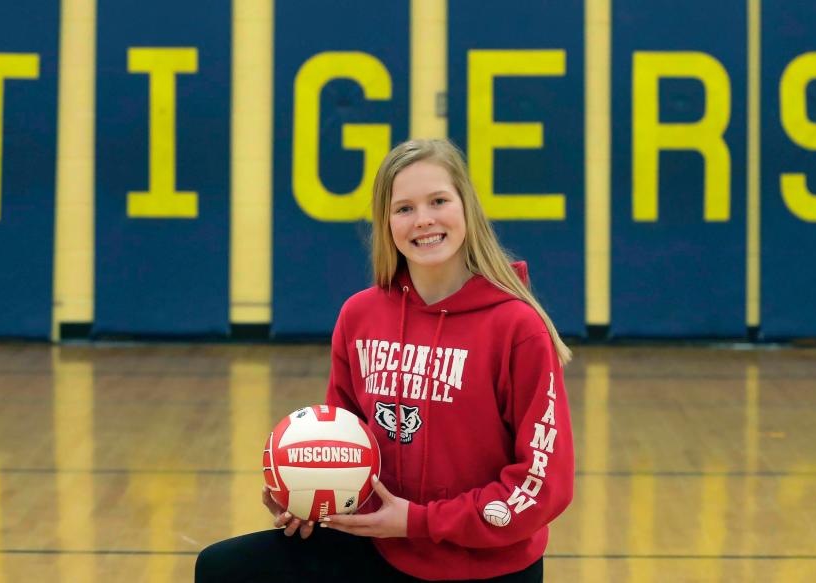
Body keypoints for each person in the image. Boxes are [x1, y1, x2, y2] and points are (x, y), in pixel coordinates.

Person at [195, 139, 574, 582]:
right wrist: (306, 497)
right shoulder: (360, 315)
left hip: (486, 564)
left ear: (466, 208)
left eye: (438, 201)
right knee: (225, 569)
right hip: (382, 547)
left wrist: (419, 521)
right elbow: (343, 444)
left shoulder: (516, 327)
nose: (424, 220)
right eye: (404, 208)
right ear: (386, 222)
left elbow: (542, 486)